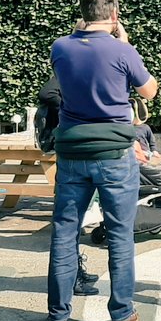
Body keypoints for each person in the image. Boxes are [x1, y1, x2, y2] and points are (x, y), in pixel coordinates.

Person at [47, 0, 158, 321]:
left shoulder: (60, 47)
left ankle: (58, 316)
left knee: (65, 232)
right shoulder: (122, 50)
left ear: (81, 13)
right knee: (120, 234)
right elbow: (149, 91)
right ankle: (121, 314)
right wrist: (124, 42)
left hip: (72, 151)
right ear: (114, 14)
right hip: (114, 153)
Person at [37, 73, 99, 297]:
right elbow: (47, 93)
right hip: (73, 150)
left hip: (74, 148)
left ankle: (75, 273)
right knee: (68, 223)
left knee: (71, 222)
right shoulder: (70, 64)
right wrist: (75, 109)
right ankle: (73, 279)